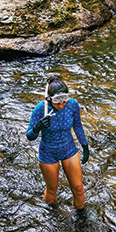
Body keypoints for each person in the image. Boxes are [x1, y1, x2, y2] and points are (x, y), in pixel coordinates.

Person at [26, 74, 89, 211]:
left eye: (64, 101)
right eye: (57, 102)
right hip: (48, 152)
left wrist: (85, 145)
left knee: (78, 188)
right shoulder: (40, 109)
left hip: (68, 148)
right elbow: (30, 136)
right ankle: (52, 214)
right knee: (52, 189)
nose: (61, 105)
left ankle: (81, 217)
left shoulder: (72, 105)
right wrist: (38, 127)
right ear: (49, 98)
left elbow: (77, 126)